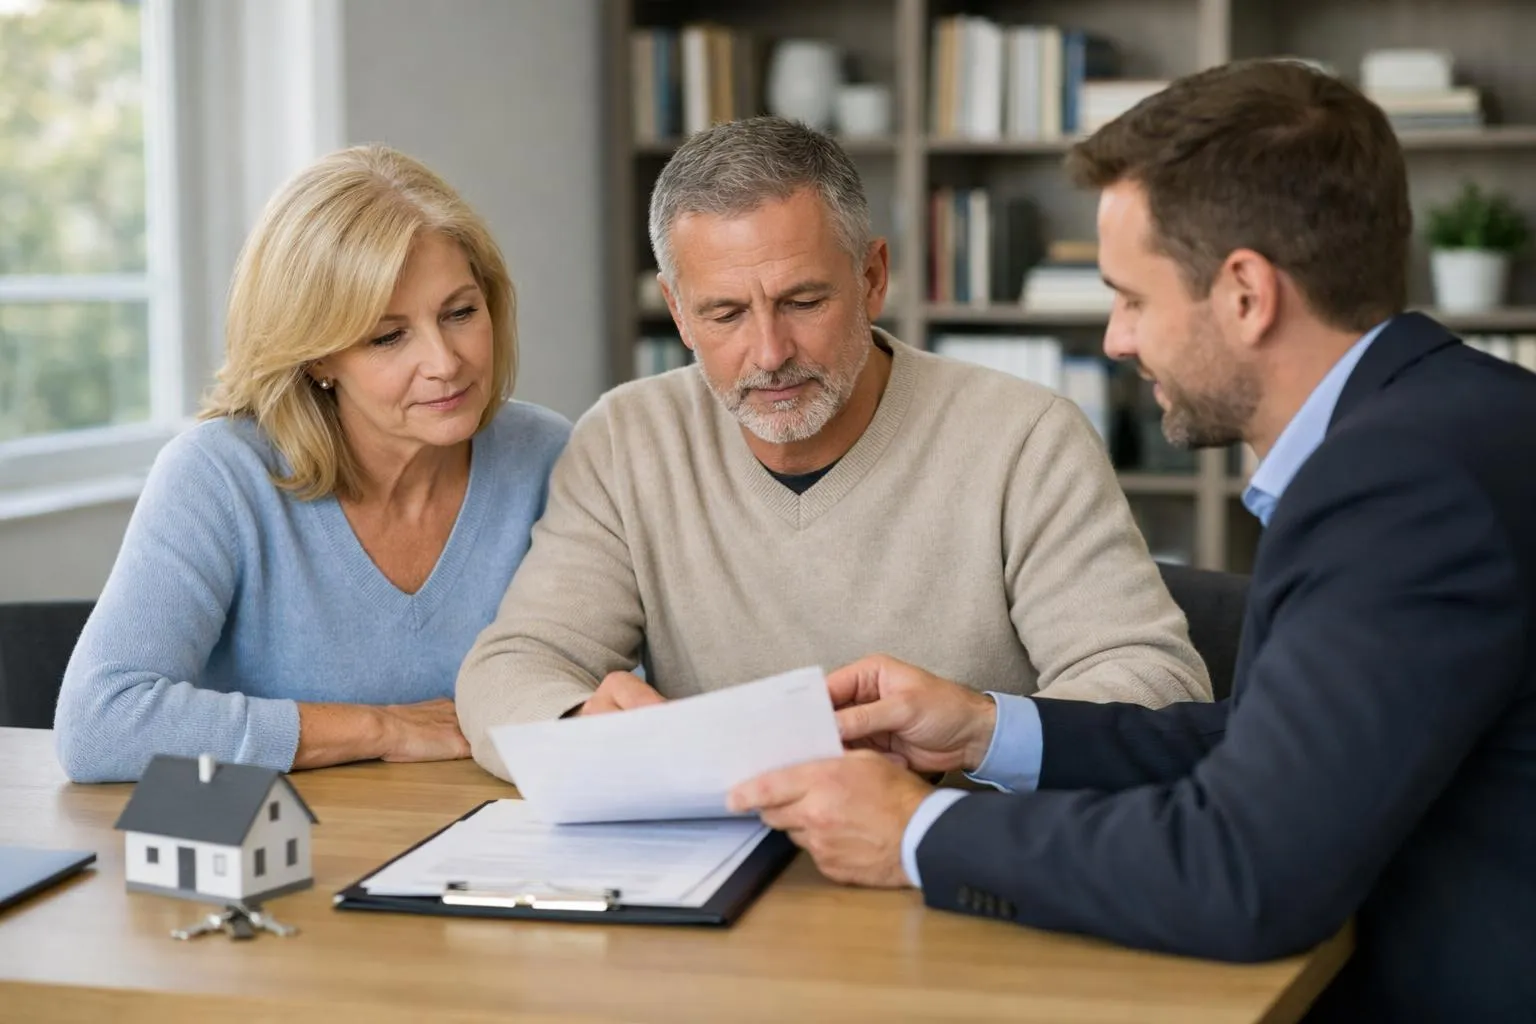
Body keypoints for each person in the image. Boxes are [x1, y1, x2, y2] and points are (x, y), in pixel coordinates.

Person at [727, 60, 1536, 1022]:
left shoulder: (1399, 488)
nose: (1115, 339)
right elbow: (1272, 747)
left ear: (1244, 293)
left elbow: (1245, 871)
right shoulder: (1454, 422)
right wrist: (989, 728)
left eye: (1132, 298)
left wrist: (918, 833)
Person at [455, 116, 1210, 780]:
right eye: (724, 314)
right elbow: (511, 668)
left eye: (804, 302)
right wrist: (581, 726)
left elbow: (1156, 685)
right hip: (726, 871)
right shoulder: (625, 440)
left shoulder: (1025, 438)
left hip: (954, 856)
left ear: (872, 277)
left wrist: (974, 733)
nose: (769, 352)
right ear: (680, 316)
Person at [55, 145, 571, 783]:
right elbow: (99, 725)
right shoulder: (217, 475)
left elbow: (611, 687)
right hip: (290, 855)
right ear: (317, 357)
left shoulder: (548, 455)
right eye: (388, 336)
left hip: (493, 848)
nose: (444, 361)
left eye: (460, 312)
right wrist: (378, 727)